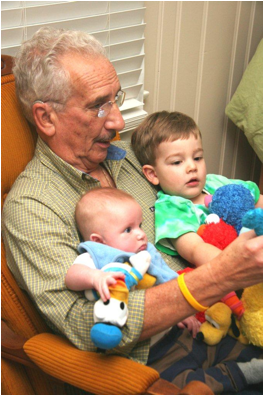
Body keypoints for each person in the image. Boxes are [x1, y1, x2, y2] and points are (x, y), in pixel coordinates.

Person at [1, 27, 263, 394]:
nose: (119, 122)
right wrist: (219, 276)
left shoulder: (126, 160)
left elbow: (194, 208)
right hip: (155, 364)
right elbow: (82, 326)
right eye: (98, 106)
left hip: (217, 321)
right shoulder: (32, 206)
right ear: (46, 118)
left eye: (116, 99)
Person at [131, 111, 263, 267]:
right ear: (153, 174)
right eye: (177, 162)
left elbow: (256, 199)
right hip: (232, 268)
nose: (192, 167)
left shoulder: (216, 183)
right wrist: (236, 263)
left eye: (197, 158)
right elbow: (195, 249)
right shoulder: (171, 208)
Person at [65, 187, 200, 338]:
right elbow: (72, 277)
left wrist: (181, 310)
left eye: (140, 226)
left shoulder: (146, 253)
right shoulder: (97, 254)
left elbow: (168, 279)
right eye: (128, 230)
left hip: (168, 324)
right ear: (98, 241)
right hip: (134, 334)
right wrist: (95, 277)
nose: (141, 234)